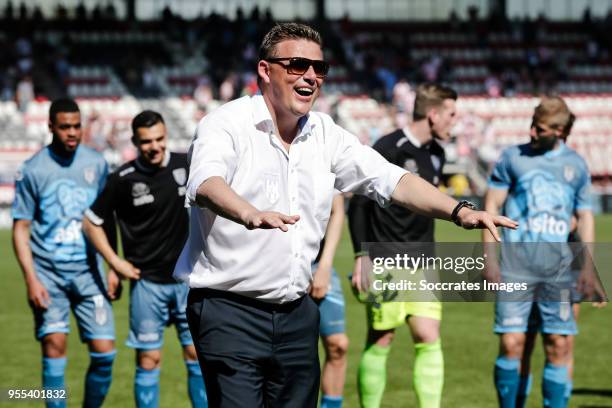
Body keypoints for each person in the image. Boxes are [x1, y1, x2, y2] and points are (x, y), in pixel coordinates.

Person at [174, 22, 516, 408]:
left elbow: (392, 179)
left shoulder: (325, 132)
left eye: (319, 69)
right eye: (297, 65)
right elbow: (204, 184)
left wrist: (458, 211)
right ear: (265, 71)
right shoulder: (226, 123)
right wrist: (248, 213)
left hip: (297, 312)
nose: (310, 76)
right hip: (229, 309)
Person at [81, 111, 207, 408]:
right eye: (147, 141)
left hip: (189, 281)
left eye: (160, 139)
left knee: (196, 356)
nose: (155, 146)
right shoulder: (122, 179)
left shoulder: (186, 164)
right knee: (149, 359)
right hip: (147, 283)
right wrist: (115, 262)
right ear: (136, 141)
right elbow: (91, 223)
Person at [483, 96, 598, 408]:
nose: (532, 132)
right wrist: (490, 258)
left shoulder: (575, 164)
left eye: (541, 128)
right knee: (512, 343)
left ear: (560, 132)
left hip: (559, 272)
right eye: (532, 125)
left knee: (558, 345)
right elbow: (491, 205)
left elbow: (585, 215)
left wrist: (588, 267)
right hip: (514, 267)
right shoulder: (511, 157)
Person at [348, 82, 457, 408]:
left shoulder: (437, 153)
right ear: (433, 114)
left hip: (424, 260)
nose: (455, 121)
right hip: (385, 257)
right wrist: (360, 255)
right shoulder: (389, 147)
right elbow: (359, 205)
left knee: (428, 335)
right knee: (382, 336)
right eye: (451, 114)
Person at [12, 98, 116, 408]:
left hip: (89, 273)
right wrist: (31, 279)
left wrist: (112, 266)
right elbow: (21, 228)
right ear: (51, 127)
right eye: (65, 127)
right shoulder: (33, 169)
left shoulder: (96, 164)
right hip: (49, 275)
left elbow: (104, 218)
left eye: (76, 126)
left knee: (105, 353)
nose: (72, 133)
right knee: (54, 348)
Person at [311, 194, 349, 408]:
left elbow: (337, 210)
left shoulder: (322, 160)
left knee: (338, 345)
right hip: (275, 267)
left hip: (319, 265)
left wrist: (325, 266)